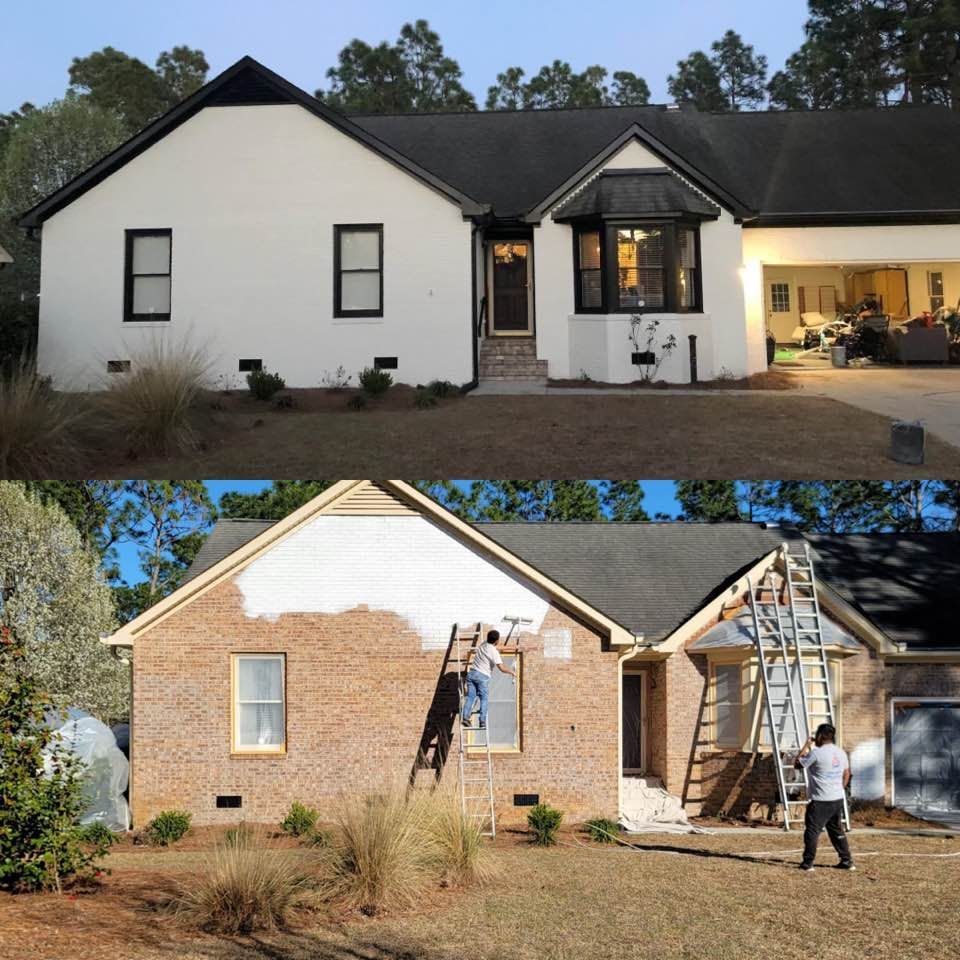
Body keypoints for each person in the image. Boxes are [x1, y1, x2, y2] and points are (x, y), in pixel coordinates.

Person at [794, 723, 855, 872]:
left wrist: (806, 745)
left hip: (820, 801)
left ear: (820, 736)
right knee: (836, 830)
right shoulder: (841, 752)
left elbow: (797, 764)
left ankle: (808, 863)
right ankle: (847, 861)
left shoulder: (816, 753)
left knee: (812, 831)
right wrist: (840, 787)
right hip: (836, 799)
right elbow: (847, 773)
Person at [461, 629, 516, 729]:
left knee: (470, 697)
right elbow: (502, 668)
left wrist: (512, 647)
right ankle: (482, 721)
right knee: (484, 698)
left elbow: (497, 647)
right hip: (482, 676)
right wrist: (512, 672)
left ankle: (465, 718)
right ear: (497, 641)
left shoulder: (483, 644)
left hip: (472, 673)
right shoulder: (494, 652)